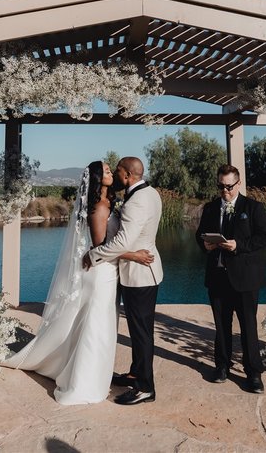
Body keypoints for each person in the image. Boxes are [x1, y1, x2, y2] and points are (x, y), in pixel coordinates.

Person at [1, 160, 154, 405]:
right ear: (96, 179)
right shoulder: (99, 207)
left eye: (110, 169)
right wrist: (133, 255)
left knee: (100, 326)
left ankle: (93, 375)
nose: (110, 172)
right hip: (102, 273)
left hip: (107, 271)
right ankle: (85, 382)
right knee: (97, 327)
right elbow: (99, 247)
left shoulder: (107, 203)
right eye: (105, 170)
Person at [85, 156, 163, 406]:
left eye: (117, 171)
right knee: (140, 330)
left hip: (139, 273)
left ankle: (145, 388)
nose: (116, 174)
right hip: (144, 269)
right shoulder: (150, 193)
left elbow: (123, 242)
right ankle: (134, 373)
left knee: (141, 334)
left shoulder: (136, 201)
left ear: (127, 175)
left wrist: (94, 254)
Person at [195, 164, 266, 393]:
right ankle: (222, 366)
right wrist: (205, 244)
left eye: (229, 186)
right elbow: (199, 235)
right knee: (221, 325)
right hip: (217, 276)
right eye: (221, 186)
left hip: (245, 278)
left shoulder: (253, 207)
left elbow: (265, 238)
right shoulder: (210, 208)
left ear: (238, 184)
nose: (225, 191)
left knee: (248, 326)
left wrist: (239, 245)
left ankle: (254, 374)